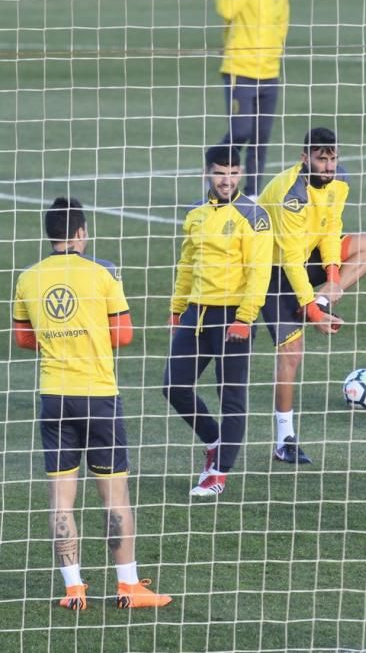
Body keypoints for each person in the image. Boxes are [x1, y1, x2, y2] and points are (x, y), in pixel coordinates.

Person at [13, 197, 171, 610]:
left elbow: (24, 338)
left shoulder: (28, 278)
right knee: (114, 496)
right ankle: (128, 587)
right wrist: (89, 332)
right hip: (98, 397)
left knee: (61, 499)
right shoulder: (102, 274)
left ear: (51, 235)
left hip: (54, 398)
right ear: (82, 233)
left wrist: (58, 334)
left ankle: (74, 589)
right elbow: (123, 335)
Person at [258, 127, 366, 463]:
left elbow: (331, 228)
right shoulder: (291, 196)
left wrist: (331, 281)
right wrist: (313, 313)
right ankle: (284, 440)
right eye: (321, 159)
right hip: (271, 269)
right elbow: (291, 262)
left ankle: (324, 300)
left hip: (306, 256)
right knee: (291, 353)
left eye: (332, 159)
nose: (328, 166)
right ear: (305, 159)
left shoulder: (338, 181)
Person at [163, 144, 273, 497]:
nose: (226, 180)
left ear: (240, 175)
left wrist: (244, 318)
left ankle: (218, 473)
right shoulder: (195, 214)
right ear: (208, 174)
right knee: (173, 385)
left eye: (233, 173)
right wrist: (178, 308)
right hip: (196, 314)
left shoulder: (253, 216)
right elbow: (186, 264)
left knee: (232, 397)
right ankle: (213, 439)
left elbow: (259, 272)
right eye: (220, 173)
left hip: (233, 317)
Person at [215, 0, 289, 198]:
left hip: (269, 75)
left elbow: (282, 28)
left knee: (261, 137)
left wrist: (274, 56)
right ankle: (215, 169)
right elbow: (226, 10)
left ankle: (253, 193)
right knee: (241, 132)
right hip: (239, 72)